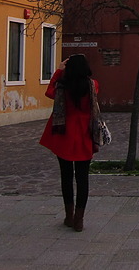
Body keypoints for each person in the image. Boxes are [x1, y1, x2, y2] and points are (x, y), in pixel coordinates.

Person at [39, 54, 100, 232]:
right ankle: (79, 220)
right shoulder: (93, 85)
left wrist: (59, 71)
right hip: (84, 135)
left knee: (66, 176)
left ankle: (69, 215)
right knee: (83, 178)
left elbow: (49, 92)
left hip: (64, 132)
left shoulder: (61, 87)